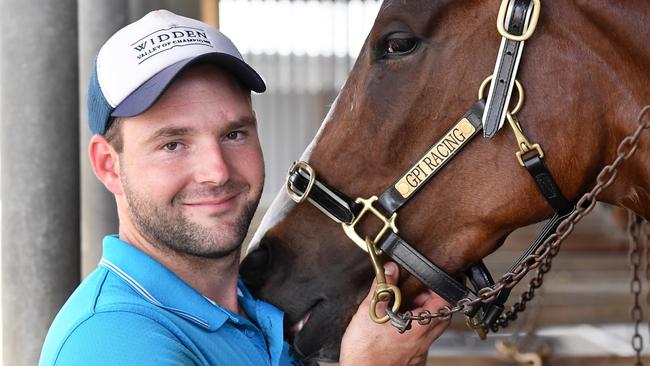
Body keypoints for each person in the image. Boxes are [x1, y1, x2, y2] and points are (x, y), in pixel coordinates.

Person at [39, 10, 450, 366]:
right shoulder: (112, 341)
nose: (216, 171)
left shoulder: (259, 304)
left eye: (234, 134)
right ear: (109, 166)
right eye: (173, 144)